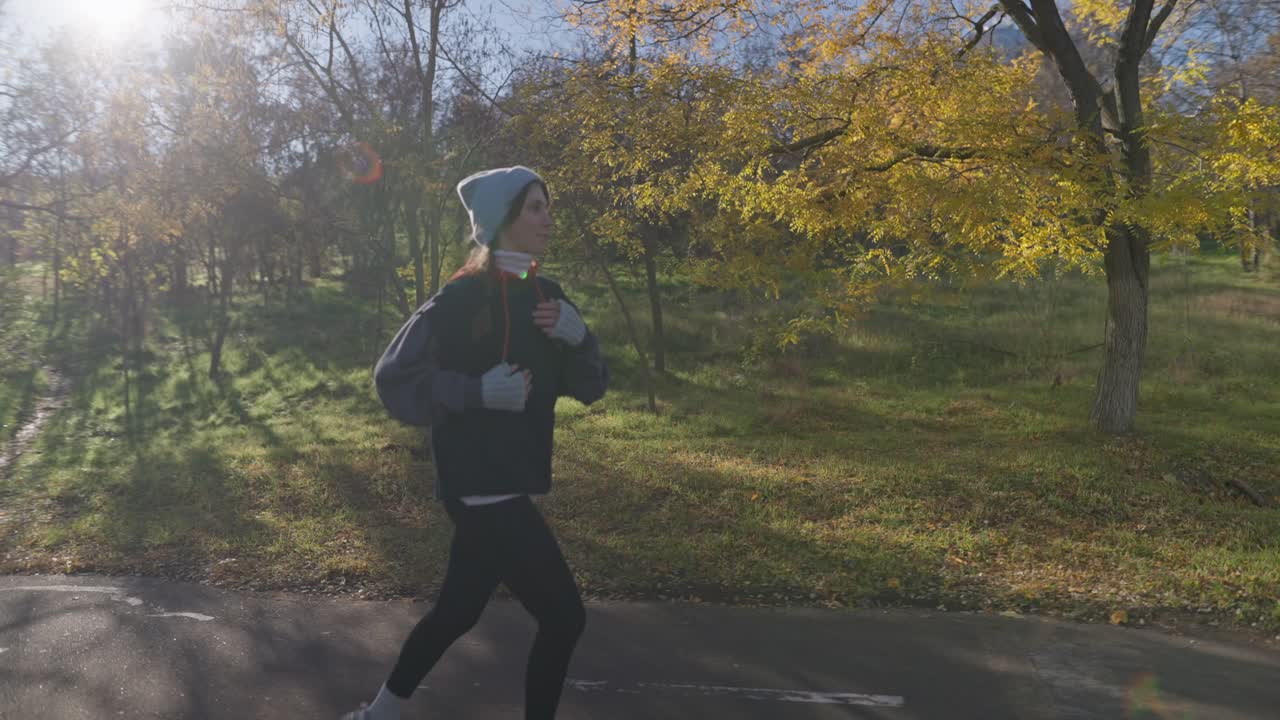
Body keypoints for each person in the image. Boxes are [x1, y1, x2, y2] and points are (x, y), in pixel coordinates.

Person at [344, 166, 609, 720]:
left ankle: (379, 714)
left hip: (511, 481)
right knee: (565, 617)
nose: (548, 219)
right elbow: (393, 380)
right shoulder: (459, 299)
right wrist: (476, 392)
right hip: (481, 486)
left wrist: (580, 338)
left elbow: (592, 388)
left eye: (547, 207)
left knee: (457, 611)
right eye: (535, 207)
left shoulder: (550, 298)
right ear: (503, 219)